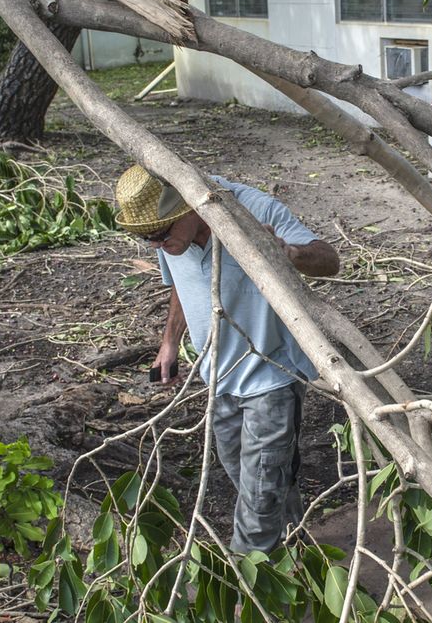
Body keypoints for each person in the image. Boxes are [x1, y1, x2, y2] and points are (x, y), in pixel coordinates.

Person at [113, 165, 340, 554]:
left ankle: (251, 586)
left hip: (272, 378)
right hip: (218, 377)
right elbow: (182, 290)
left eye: (162, 235)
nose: (157, 246)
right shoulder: (171, 238)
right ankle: (295, 551)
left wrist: (287, 253)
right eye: (146, 239)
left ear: (188, 206)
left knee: (259, 493)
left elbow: (329, 260)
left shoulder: (254, 210)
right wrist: (169, 343)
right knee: (251, 477)